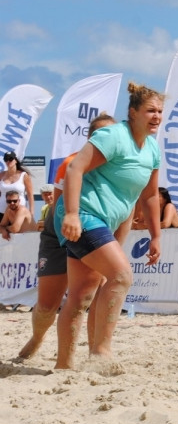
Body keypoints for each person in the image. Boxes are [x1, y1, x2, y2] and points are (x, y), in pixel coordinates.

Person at [54, 83, 163, 369]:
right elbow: (75, 168)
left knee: (81, 295)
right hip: (84, 215)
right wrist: (72, 214)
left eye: (160, 111)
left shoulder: (152, 148)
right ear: (133, 112)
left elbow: (150, 196)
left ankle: (63, 366)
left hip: (104, 220)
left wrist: (155, 236)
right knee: (121, 275)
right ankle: (101, 354)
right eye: (150, 110)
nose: (156, 117)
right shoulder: (113, 135)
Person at [17, 114, 117, 361]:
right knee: (47, 306)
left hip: (92, 228)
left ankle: (95, 354)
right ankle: (38, 336)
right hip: (60, 228)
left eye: (112, 135)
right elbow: (62, 209)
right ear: (90, 138)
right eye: (100, 135)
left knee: (91, 294)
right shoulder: (72, 163)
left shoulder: (120, 168)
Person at [0, 151, 35, 219]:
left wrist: (31, 212)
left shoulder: (24, 175)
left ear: (15, 160)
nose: (8, 161)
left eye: (10, 159)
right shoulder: (1, 175)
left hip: (19, 211)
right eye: (6, 159)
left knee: (16, 229)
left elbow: (30, 195)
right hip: (2, 211)